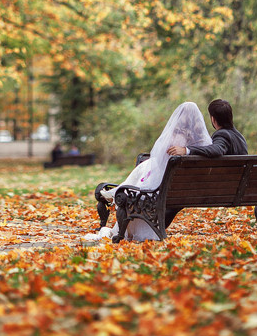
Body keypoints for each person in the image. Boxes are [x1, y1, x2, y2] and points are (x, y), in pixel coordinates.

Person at [83, 101, 212, 242]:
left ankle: (115, 193)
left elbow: (159, 158)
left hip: (166, 187)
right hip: (188, 188)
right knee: (144, 170)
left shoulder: (175, 138)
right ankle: (115, 193)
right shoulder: (203, 141)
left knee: (144, 170)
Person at [164, 98, 248, 228]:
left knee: (178, 195)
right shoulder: (239, 137)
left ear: (213, 119)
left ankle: (156, 226)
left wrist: (187, 150)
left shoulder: (222, 135)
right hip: (238, 188)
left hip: (221, 190)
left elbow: (217, 149)